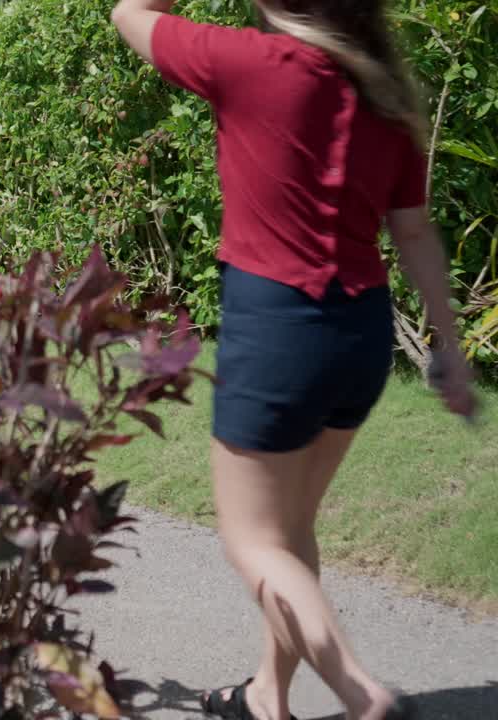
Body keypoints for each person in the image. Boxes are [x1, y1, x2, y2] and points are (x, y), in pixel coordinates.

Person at [108, 1, 479, 719]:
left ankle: (359, 692)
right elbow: (415, 233)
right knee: (289, 533)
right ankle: (266, 698)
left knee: (251, 539)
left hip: (279, 331)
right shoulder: (387, 99)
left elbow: (129, 12)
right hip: (360, 335)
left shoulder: (249, 62)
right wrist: (450, 349)